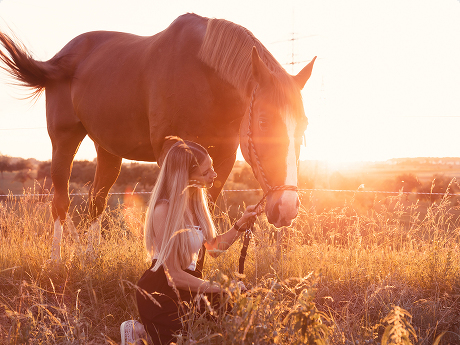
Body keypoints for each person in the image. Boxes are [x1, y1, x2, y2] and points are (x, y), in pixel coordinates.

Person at [121, 138, 260, 345]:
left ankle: (151, 335)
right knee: (184, 339)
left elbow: (213, 249)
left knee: (241, 306)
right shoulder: (164, 210)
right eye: (205, 172)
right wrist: (223, 287)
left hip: (192, 286)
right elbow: (173, 277)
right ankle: (140, 333)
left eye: (211, 167)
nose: (214, 175)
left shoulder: (196, 204)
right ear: (184, 178)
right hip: (162, 290)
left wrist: (240, 224)